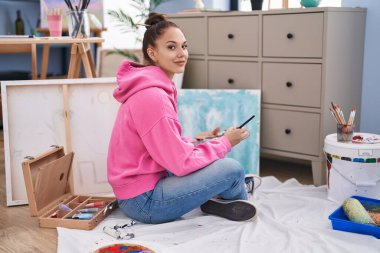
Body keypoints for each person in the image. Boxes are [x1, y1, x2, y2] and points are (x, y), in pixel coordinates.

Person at [107, 13, 257, 224]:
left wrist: (197, 141)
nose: (181, 54)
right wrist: (225, 142)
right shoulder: (153, 97)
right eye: (171, 47)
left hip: (141, 188)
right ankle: (233, 193)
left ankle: (221, 194)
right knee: (232, 170)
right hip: (144, 201)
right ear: (153, 53)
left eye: (184, 46)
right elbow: (179, 163)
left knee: (213, 162)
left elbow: (160, 147)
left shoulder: (153, 88)